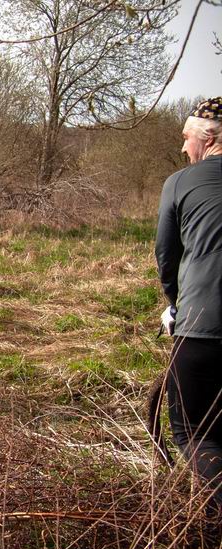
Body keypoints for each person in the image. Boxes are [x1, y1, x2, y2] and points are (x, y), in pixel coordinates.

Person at [156, 96, 222, 511]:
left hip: (203, 323)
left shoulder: (180, 182)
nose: (183, 148)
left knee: (194, 432)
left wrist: (175, 303)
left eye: (187, 138)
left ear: (208, 138)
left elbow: (167, 253)